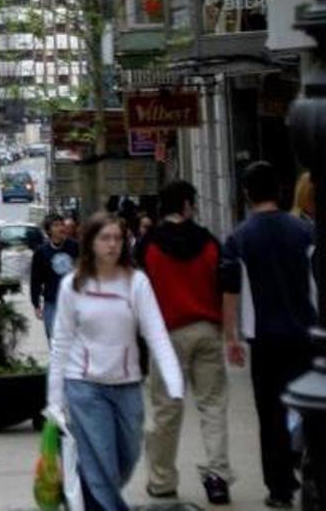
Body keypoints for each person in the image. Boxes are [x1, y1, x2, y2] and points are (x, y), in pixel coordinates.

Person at [46, 213, 184, 511]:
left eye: (117, 238)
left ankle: (86, 493)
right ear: (90, 243)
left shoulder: (137, 283)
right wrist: (54, 399)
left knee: (128, 455)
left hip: (126, 383)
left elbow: (156, 333)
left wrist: (174, 381)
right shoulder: (73, 285)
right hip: (84, 386)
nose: (112, 245)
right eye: (105, 238)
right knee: (102, 459)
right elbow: (61, 343)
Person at [220, 161, 317, 508]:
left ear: (246, 195)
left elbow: (230, 291)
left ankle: (279, 489)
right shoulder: (305, 233)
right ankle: (313, 475)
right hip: (307, 335)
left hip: (263, 340)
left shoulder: (239, 238)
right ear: (280, 191)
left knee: (271, 415)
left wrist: (231, 337)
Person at [133, 181, 233, 504]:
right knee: (212, 405)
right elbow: (224, 286)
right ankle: (217, 477)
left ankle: (162, 480)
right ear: (188, 205)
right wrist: (229, 333)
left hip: (166, 336)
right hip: (206, 330)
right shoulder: (210, 243)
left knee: (165, 409)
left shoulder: (148, 246)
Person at [30, 214, 77, 340]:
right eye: (56, 225)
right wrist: (36, 303)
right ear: (48, 230)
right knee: (54, 337)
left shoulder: (75, 247)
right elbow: (36, 279)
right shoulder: (41, 252)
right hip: (52, 301)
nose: (61, 228)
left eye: (62, 224)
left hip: (73, 300)